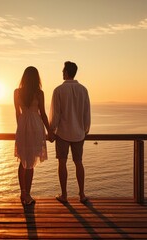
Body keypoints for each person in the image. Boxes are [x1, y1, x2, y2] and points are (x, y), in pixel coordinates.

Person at [49, 61, 91, 203]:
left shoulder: (58, 90)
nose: (62, 73)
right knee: (78, 162)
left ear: (66, 72)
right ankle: (82, 194)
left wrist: (51, 130)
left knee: (62, 163)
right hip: (79, 132)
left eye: (63, 71)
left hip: (62, 133)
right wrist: (85, 129)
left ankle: (64, 195)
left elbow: (56, 115)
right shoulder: (83, 90)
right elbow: (86, 113)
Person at [14, 66, 54, 205]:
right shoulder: (39, 93)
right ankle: (28, 194)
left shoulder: (17, 92)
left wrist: (20, 127)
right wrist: (50, 131)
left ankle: (23, 192)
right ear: (36, 78)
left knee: (23, 160)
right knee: (30, 163)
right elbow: (42, 113)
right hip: (35, 126)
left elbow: (17, 113)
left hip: (23, 125)